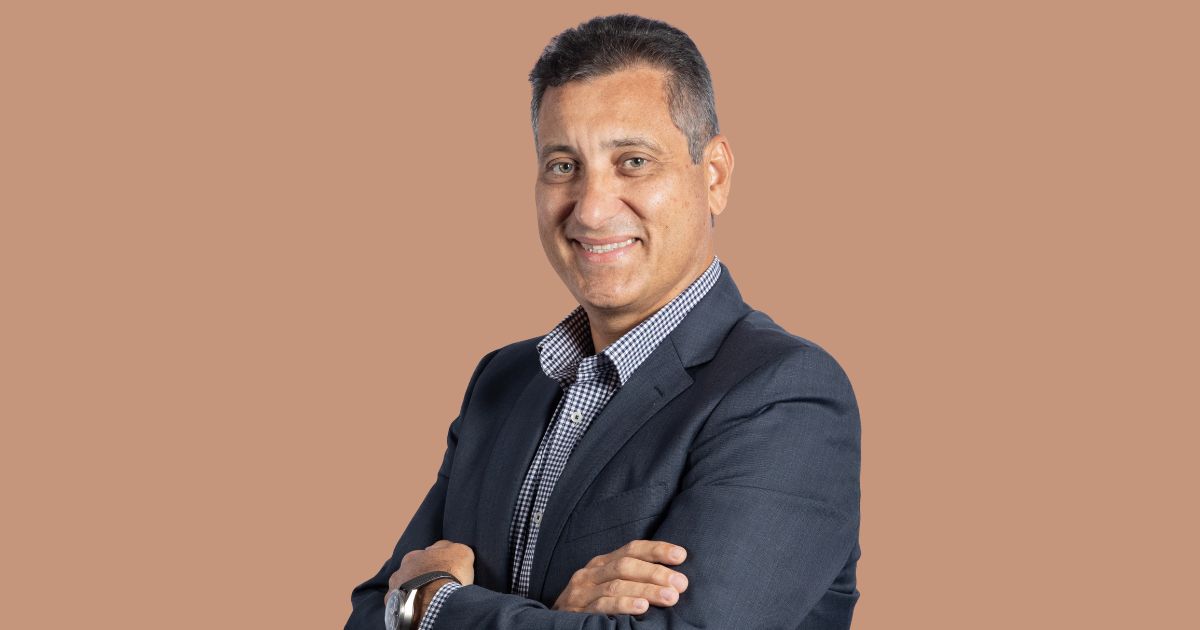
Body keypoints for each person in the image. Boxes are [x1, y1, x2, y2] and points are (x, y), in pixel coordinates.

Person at [346, 14, 861, 630]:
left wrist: (432, 605)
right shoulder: (502, 382)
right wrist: (558, 614)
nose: (590, 210)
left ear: (715, 175)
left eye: (633, 161)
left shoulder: (785, 396)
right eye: (563, 166)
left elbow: (403, 605)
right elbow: (367, 614)